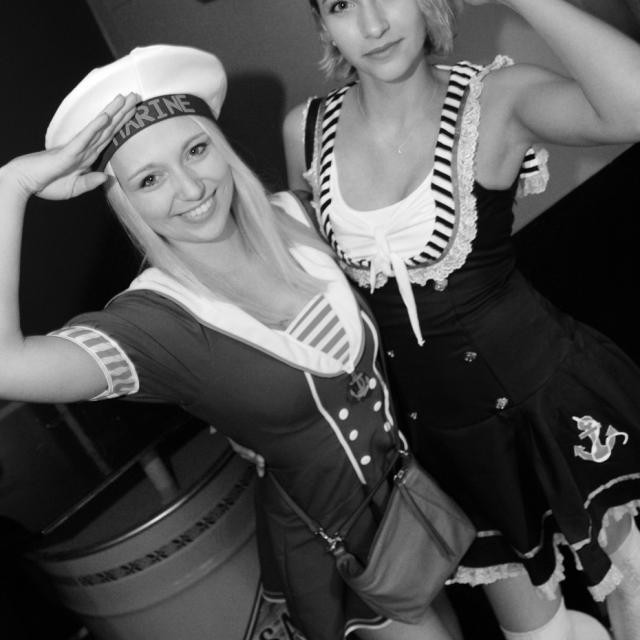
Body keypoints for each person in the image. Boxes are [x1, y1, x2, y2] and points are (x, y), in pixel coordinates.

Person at [0, 44, 467, 640]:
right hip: (339, 549)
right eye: (149, 179)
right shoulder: (156, 322)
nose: (191, 188)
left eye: (196, 150)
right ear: (125, 202)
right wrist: (12, 184)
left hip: (412, 505)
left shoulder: (296, 216)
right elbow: (6, 365)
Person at [283, 1, 640, 639]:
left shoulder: (496, 98)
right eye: (340, 4)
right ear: (322, 24)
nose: (372, 24)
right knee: (538, 635)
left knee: (635, 596)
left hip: (554, 401)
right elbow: (314, 287)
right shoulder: (306, 130)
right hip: (445, 442)